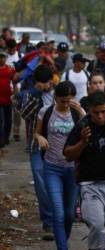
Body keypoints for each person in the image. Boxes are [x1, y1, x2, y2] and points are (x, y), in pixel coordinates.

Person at [63, 91, 105, 250]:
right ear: (89, 109)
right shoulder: (83, 125)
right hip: (91, 185)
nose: (100, 116)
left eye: (104, 111)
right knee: (97, 226)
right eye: (96, 112)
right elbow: (67, 155)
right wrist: (82, 142)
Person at [35, 81, 85, 250]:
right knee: (58, 211)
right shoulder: (46, 111)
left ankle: (63, 238)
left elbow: (90, 132)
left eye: (69, 100)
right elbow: (37, 131)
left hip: (72, 169)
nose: (65, 104)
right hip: (51, 167)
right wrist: (39, 137)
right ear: (55, 97)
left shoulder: (77, 113)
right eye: (62, 100)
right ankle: (62, 247)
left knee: (69, 214)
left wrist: (80, 111)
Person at [20, 64, 54, 239]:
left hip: (56, 147)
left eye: (48, 83)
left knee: (56, 184)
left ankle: (60, 216)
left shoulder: (56, 95)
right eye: (45, 83)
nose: (48, 86)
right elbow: (25, 115)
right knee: (41, 184)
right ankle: (48, 221)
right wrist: (36, 93)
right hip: (36, 147)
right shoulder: (29, 94)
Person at [0, 51, 15, 148]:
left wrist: (16, 94)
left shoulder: (10, 69)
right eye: (0, 57)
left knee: (8, 120)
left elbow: (15, 80)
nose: (1, 59)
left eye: (3, 57)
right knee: (0, 119)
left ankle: (6, 137)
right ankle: (1, 139)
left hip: (8, 98)